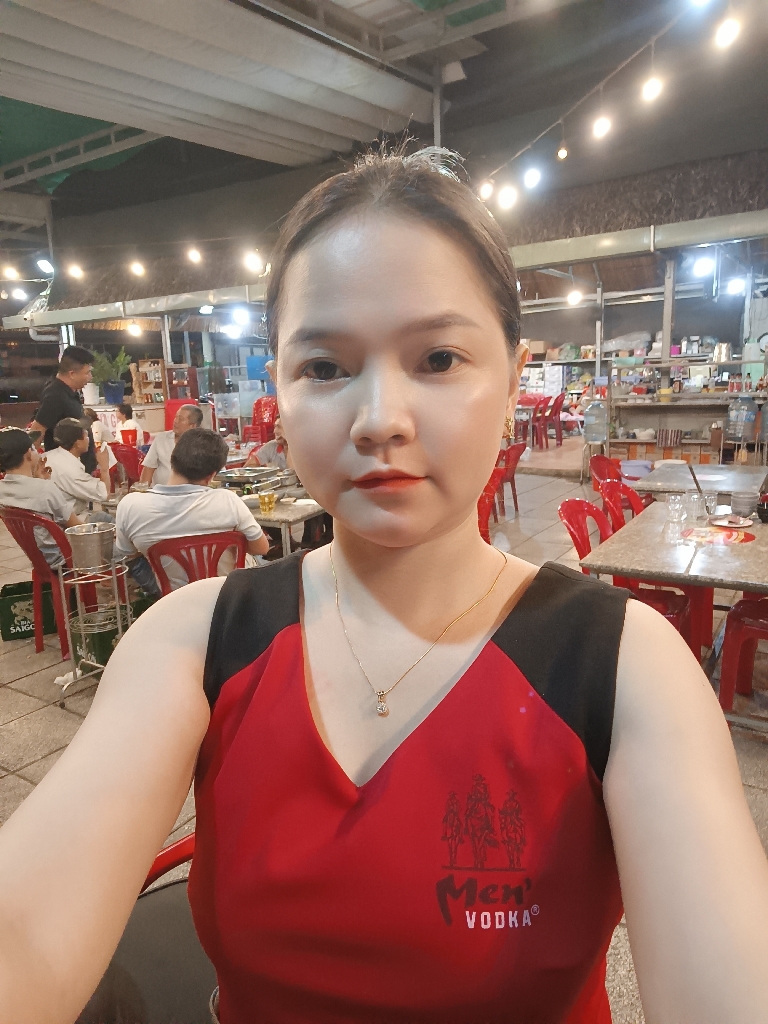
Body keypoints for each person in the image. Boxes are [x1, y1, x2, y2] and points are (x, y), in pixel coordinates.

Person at [2, 150, 768, 1024]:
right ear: (280, 392)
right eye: (325, 368)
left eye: (438, 358)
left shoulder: (624, 665)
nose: (379, 421)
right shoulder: (194, 639)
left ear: (512, 379)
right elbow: (25, 929)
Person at [115, 428, 268, 592]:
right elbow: (261, 548)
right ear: (211, 476)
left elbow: (126, 553)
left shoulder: (130, 505)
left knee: (136, 562)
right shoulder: (228, 500)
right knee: (258, 562)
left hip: (174, 596)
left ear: (172, 459)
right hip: (226, 592)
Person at [0, 427, 81, 567]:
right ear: (28, 454)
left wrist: (39, 480)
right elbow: (75, 525)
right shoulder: (45, 489)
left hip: (39, 560)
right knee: (102, 519)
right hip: (65, 560)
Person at [28, 345, 97, 473]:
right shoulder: (55, 395)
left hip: (79, 470)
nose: (90, 377)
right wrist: (32, 470)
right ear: (72, 374)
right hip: (66, 473)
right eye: (87, 373)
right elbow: (37, 431)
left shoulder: (70, 391)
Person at [44, 417, 112, 516]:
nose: (89, 439)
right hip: (69, 521)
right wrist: (104, 468)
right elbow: (104, 494)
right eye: (86, 435)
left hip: (52, 517)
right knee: (106, 518)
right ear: (78, 443)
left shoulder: (48, 456)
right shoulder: (71, 469)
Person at [140, 404, 203, 486]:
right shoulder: (161, 439)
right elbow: (148, 468)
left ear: (193, 426)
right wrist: (143, 490)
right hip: (161, 491)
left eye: (181, 419)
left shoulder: (202, 445)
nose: (176, 421)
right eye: (176, 417)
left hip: (190, 492)